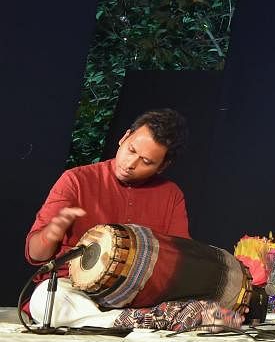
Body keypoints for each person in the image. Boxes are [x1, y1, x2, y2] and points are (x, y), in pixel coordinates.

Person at [24, 109, 239, 329]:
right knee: (45, 302)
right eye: (131, 150)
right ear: (124, 138)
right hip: (75, 289)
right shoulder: (75, 180)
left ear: (162, 166)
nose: (130, 164)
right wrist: (52, 232)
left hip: (142, 296)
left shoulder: (171, 195)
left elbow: (179, 261)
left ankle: (126, 319)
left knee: (204, 303)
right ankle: (146, 320)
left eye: (146, 161)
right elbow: (36, 254)